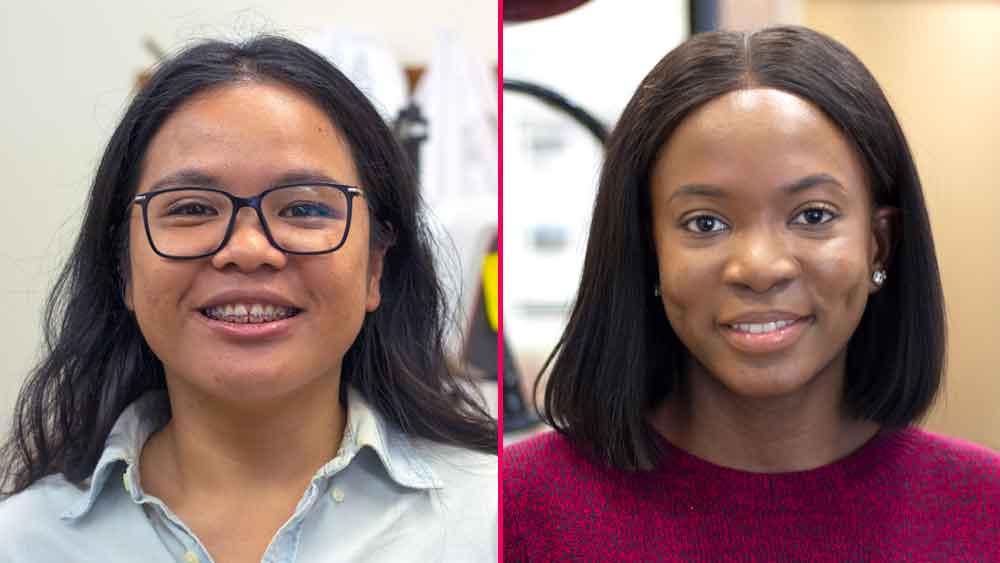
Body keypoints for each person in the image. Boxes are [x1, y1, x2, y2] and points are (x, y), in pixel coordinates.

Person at [504, 25, 1000, 561]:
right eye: (705, 223)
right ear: (648, 250)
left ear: (879, 245)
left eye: (813, 215)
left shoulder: (984, 508)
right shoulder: (515, 510)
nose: (760, 268)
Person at [0, 35, 497, 562]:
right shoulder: (25, 542)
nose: (248, 249)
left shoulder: (493, 520)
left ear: (375, 267)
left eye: (304, 210)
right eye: (191, 208)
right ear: (124, 267)